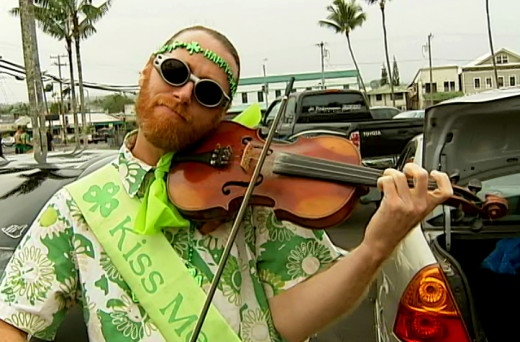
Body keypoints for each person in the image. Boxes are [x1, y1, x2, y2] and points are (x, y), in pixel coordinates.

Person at [0, 26, 452, 342]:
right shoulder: (75, 208)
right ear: (147, 71)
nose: (183, 94)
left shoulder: (250, 195)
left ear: (221, 114)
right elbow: (12, 321)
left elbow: (290, 321)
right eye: (175, 73)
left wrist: (375, 246)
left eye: (208, 93)